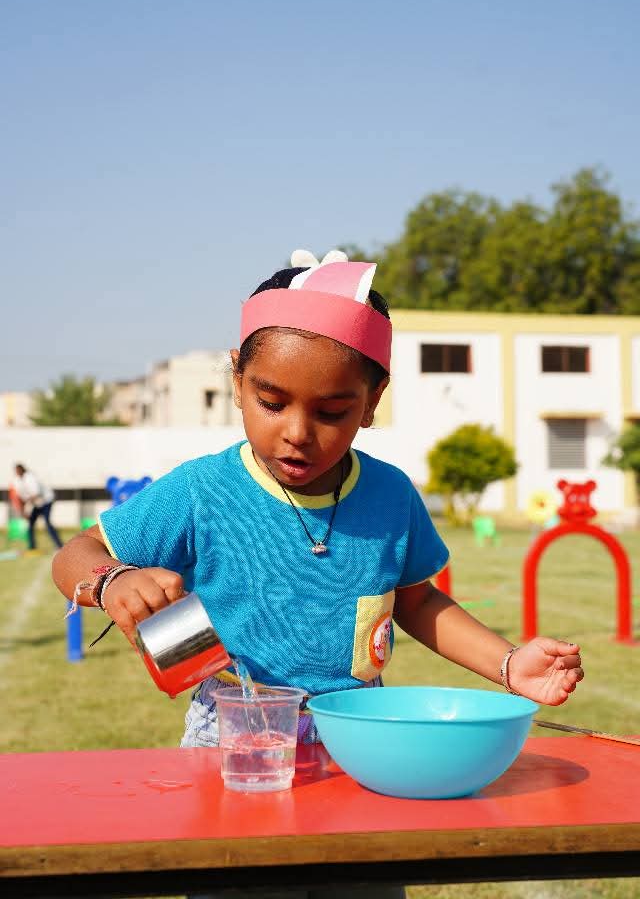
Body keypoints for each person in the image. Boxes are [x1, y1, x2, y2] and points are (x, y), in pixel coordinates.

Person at [52, 250, 584, 899]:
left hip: (363, 744)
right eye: (270, 402)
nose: (297, 433)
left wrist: (508, 663)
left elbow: (418, 604)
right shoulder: (201, 491)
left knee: (362, 883)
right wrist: (110, 579)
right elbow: (75, 553)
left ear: (372, 401)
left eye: (331, 412)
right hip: (237, 744)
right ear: (237, 379)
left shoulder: (390, 496)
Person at [12, 463, 63, 551]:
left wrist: (27, 509)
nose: (17, 472)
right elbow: (21, 499)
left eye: (18, 470)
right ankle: (32, 547)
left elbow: (36, 494)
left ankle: (59, 545)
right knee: (30, 524)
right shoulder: (17, 481)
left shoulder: (30, 477)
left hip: (46, 501)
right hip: (36, 504)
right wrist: (23, 512)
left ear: (22, 470)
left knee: (47, 523)